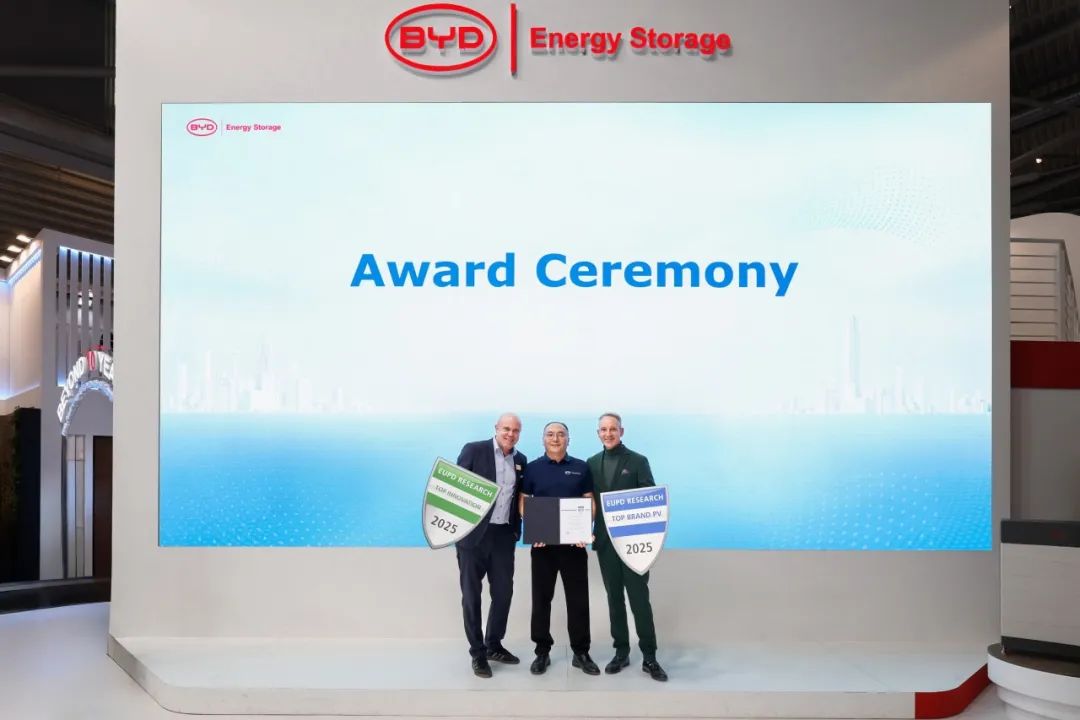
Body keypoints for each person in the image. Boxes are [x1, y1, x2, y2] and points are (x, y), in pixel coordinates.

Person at [587, 412, 668, 682]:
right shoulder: (591, 463)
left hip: (633, 545)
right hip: (605, 543)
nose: (608, 433)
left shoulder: (638, 461)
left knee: (639, 599)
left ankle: (650, 656)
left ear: (621, 431)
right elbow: (587, 503)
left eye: (613, 429)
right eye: (603, 429)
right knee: (614, 598)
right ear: (598, 433)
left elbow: (649, 500)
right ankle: (621, 652)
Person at [518, 421, 600, 676]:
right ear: (543, 439)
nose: (555, 438)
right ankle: (542, 652)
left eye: (561, 434)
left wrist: (585, 530)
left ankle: (581, 652)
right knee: (541, 600)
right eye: (550, 434)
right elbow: (523, 501)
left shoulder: (581, 467)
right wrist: (534, 529)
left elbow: (589, 501)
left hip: (574, 546)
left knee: (578, 600)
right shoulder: (532, 468)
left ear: (568, 439)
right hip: (543, 547)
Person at [455, 413, 527, 678]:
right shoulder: (474, 450)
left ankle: (493, 644)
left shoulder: (520, 460)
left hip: (503, 536)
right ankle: (478, 653)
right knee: (472, 596)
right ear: (496, 428)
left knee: (504, 593)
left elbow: (520, 498)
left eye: (515, 430)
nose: (510, 434)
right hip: (473, 537)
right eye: (506, 428)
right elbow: (455, 488)